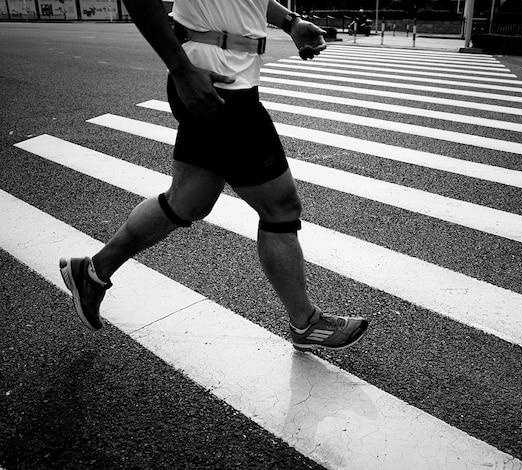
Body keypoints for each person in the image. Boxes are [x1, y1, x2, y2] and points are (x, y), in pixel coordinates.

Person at [59, 0, 368, 352]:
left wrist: (290, 22)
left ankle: (93, 272)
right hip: (215, 87)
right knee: (280, 208)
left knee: (188, 201)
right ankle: (306, 322)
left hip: (222, 82)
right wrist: (180, 69)